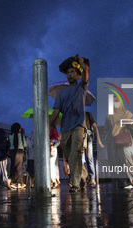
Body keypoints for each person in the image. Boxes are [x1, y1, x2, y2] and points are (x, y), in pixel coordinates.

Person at [50, 55, 90, 192]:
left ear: (77, 75)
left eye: (72, 72)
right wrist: (50, 124)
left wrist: (81, 63)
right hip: (65, 128)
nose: (69, 74)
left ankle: (75, 183)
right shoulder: (61, 94)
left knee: (75, 154)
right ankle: (83, 175)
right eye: (68, 73)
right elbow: (56, 111)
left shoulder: (81, 88)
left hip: (78, 126)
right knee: (70, 156)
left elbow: (86, 73)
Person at [104, 95, 133, 189]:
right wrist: (109, 136)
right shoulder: (109, 116)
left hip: (125, 138)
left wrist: (129, 122)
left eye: (117, 101)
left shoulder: (127, 113)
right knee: (117, 161)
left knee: (128, 159)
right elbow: (106, 129)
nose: (115, 103)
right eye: (113, 101)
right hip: (113, 141)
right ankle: (123, 183)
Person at [84, 111, 104, 187]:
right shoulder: (74, 114)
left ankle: (92, 178)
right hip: (78, 138)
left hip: (88, 138)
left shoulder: (88, 114)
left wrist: (99, 141)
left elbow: (95, 127)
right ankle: (83, 178)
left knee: (89, 158)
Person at [8, 123, 27, 189]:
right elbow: (25, 145)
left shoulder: (10, 135)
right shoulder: (21, 135)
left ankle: (19, 183)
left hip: (12, 152)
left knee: (13, 167)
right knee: (18, 168)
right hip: (19, 151)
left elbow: (9, 144)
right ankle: (13, 181)